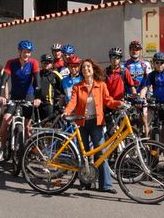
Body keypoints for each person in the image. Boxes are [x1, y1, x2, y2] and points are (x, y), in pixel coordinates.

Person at [63, 59, 123, 194]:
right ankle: (85, 182)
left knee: (101, 153)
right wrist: (67, 111)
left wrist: (119, 104)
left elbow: (108, 101)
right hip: (82, 122)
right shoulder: (77, 86)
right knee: (83, 154)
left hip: (96, 122)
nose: (86, 69)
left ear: (93, 69)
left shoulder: (101, 85)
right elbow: (73, 102)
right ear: (81, 71)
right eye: (83, 68)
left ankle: (106, 185)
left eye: (88, 67)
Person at [0, 40, 41, 160]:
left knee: (27, 127)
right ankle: (2, 148)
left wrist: (37, 97)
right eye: (24, 52)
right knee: (5, 121)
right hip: (15, 96)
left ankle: (26, 150)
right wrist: (1, 95)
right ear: (19, 52)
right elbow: (4, 79)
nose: (26, 54)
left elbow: (37, 81)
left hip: (28, 96)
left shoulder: (33, 63)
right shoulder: (11, 63)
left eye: (29, 52)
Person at [105, 47, 136, 133]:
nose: (115, 59)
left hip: (121, 104)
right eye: (113, 57)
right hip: (108, 105)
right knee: (111, 131)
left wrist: (136, 97)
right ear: (110, 58)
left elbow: (132, 87)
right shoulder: (105, 72)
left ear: (120, 59)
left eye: (117, 57)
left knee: (124, 130)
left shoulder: (124, 71)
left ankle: (125, 146)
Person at [124, 40, 152, 136]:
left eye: (137, 49)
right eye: (132, 49)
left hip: (142, 96)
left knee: (144, 119)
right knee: (128, 122)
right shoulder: (125, 65)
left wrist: (146, 94)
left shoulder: (145, 64)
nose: (134, 51)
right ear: (129, 51)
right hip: (129, 97)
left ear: (140, 51)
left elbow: (149, 82)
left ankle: (147, 143)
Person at [38, 54, 63, 120]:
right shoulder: (37, 73)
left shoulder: (55, 74)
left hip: (49, 104)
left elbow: (64, 86)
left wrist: (60, 98)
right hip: (37, 104)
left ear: (51, 64)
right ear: (41, 63)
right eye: (44, 62)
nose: (46, 64)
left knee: (49, 126)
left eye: (48, 62)